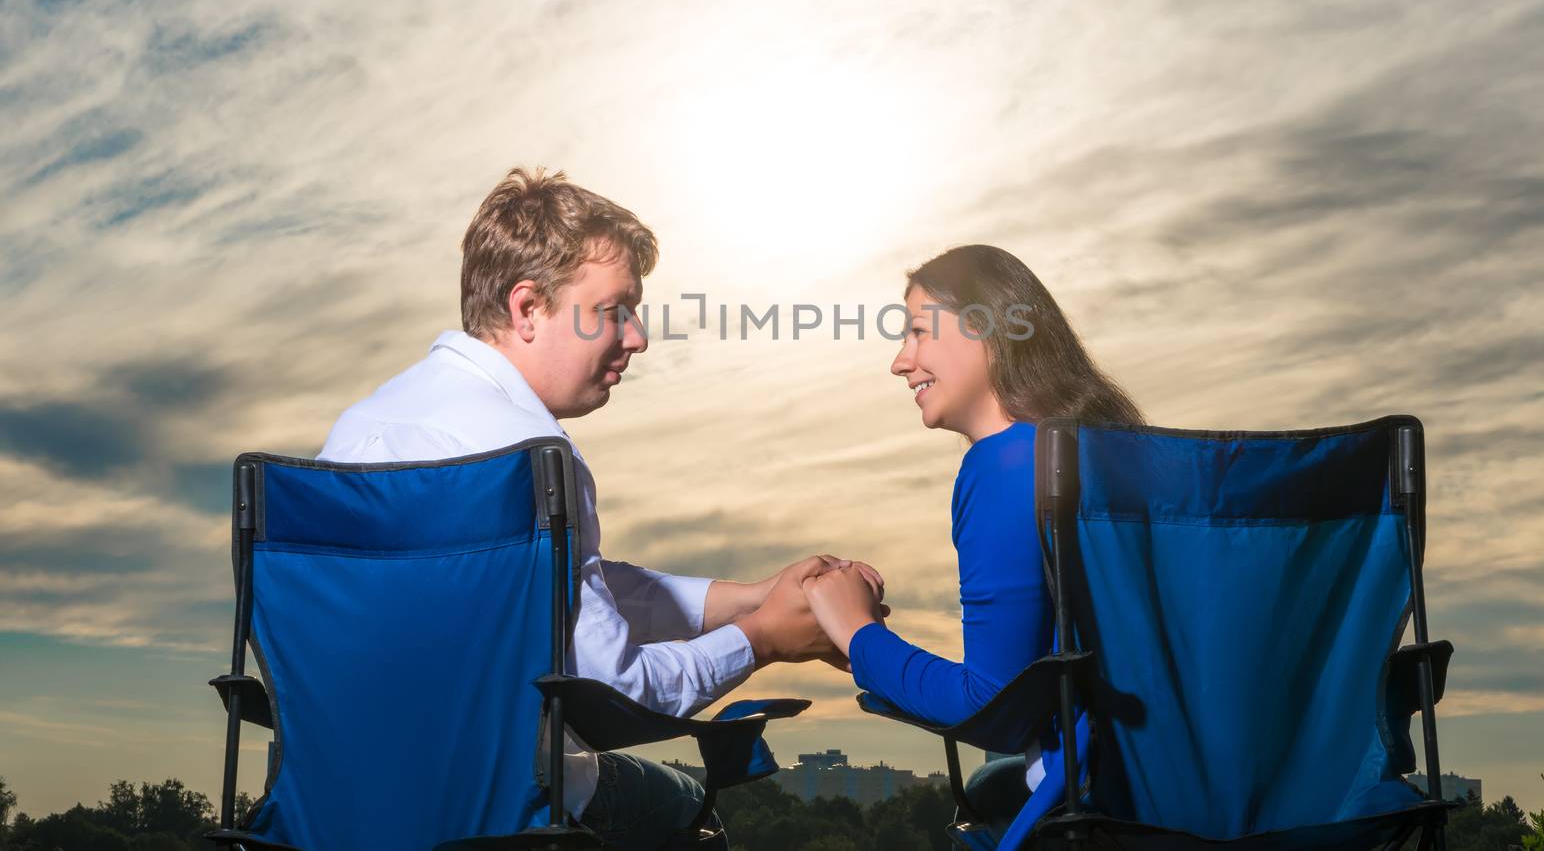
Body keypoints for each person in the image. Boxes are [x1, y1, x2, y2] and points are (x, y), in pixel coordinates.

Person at [318, 166, 883, 850]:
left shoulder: (357, 432)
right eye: (616, 310)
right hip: (503, 812)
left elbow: (555, 587)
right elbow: (616, 692)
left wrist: (750, 597)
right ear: (527, 308)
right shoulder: (529, 455)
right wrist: (762, 637)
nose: (639, 337)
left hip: (340, 805)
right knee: (683, 810)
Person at [801, 243, 1144, 845]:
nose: (900, 363)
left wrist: (857, 633)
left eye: (916, 332)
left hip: (1102, 801)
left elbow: (993, 707)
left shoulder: (1006, 466)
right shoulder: (1119, 451)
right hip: (1197, 787)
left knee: (992, 785)